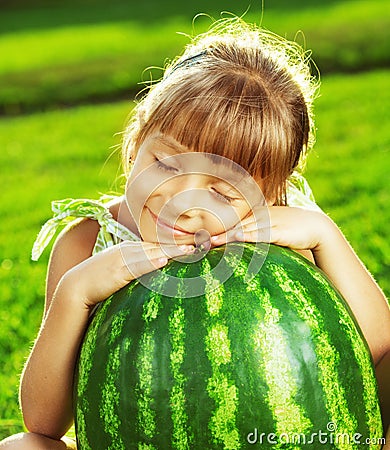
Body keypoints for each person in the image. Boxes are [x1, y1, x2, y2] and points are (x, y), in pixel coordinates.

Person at [1, 17, 389, 449]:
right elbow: (44, 422)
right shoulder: (87, 241)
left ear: (268, 196)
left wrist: (324, 234)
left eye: (223, 190)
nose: (182, 203)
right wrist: (76, 292)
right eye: (165, 165)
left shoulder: (283, 233)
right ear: (135, 142)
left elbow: (374, 352)